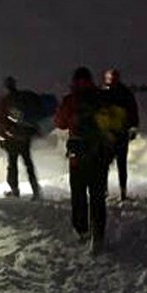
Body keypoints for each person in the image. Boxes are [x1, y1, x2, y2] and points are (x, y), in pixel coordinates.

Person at [55, 67, 113, 255]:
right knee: (97, 197)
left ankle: (82, 230)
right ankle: (99, 236)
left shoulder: (71, 100)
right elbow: (112, 122)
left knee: (78, 195)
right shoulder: (101, 97)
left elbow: (60, 123)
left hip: (77, 157)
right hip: (98, 155)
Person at [0, 76, 41, 199]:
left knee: (12, 164)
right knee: (28, 163)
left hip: (12, 137)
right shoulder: (22, 98)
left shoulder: (5, 101)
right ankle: (35, 189)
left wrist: (2, 136)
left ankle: (14, 189)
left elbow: (1, 120)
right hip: (25, 136)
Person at [102, 68, 140, 200]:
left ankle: (108, 191)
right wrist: (133, 127)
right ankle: (119, 192)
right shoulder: (124, 93)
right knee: (117, 164)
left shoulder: (104, 93)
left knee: (108, 164)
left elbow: (132, 111)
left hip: (112, 135)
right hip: (116, 134)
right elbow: (133, 111)